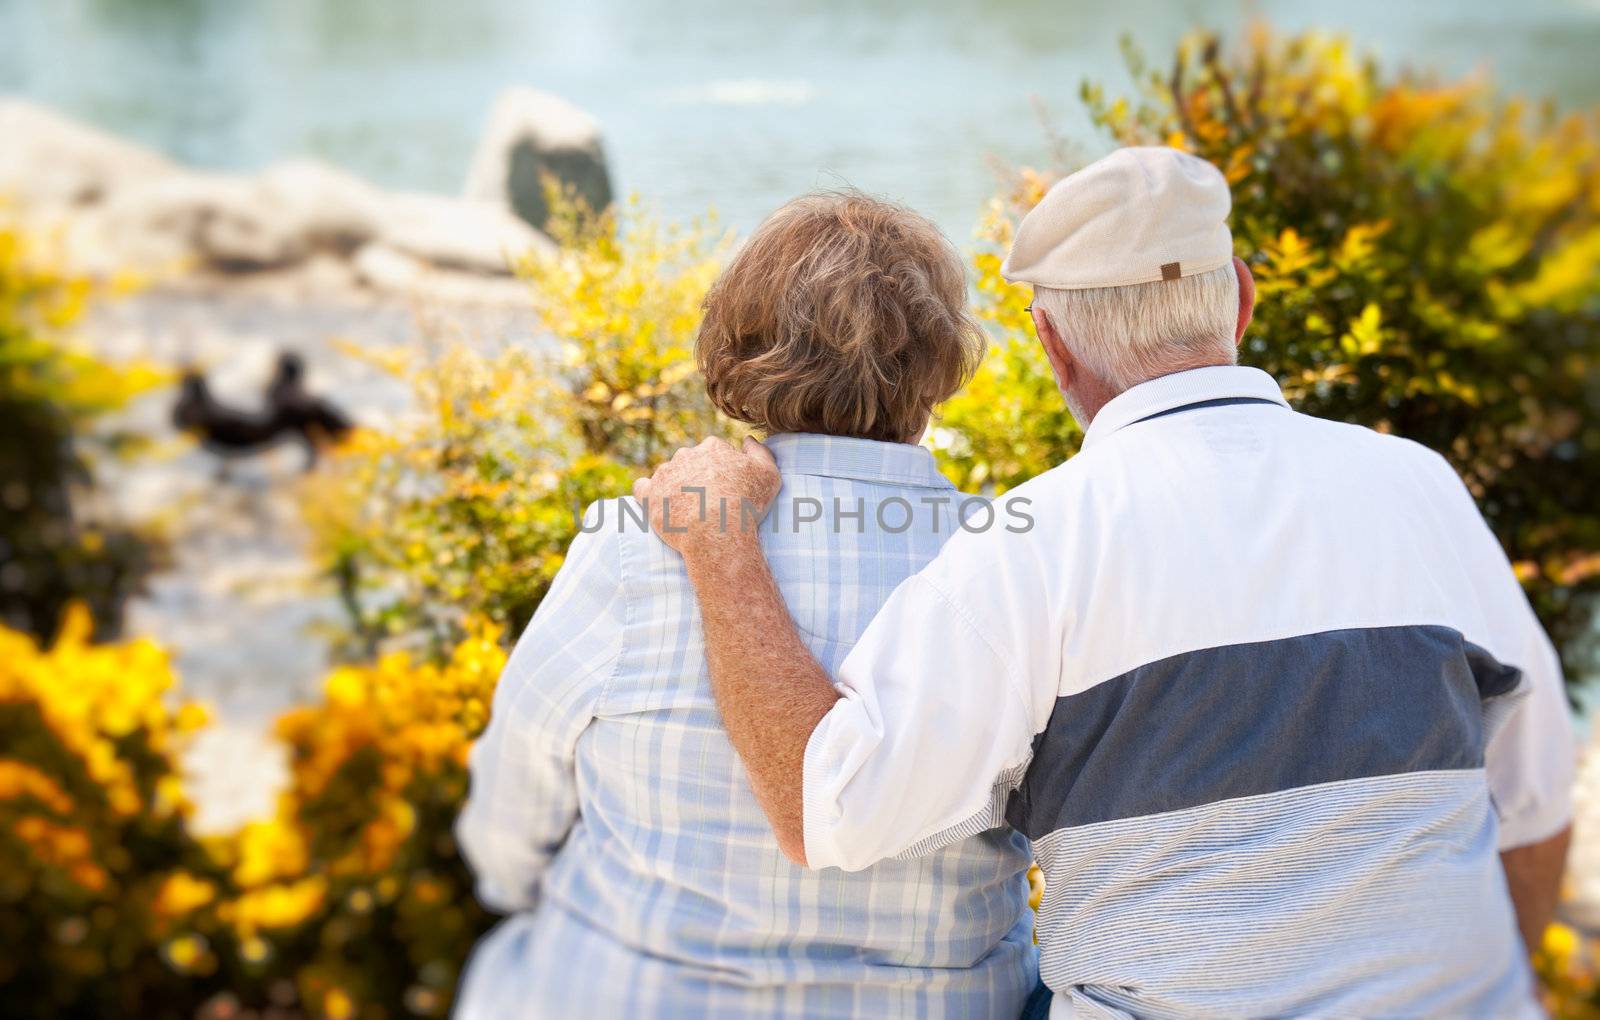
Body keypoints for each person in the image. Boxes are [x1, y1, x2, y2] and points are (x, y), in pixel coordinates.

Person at [634, 147, 1576, 1018]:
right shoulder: (1418, 485)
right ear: (1241, 301)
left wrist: (723, 552)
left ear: (1053, 346)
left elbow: (823, 809)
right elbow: (1535, 801)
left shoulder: (1034, 543)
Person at [454, 192, 1038, 1018]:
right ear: (940, 364)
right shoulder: (1012, 563)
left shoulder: (636, 545)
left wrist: (510, 884)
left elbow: (516, 796)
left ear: (740, 347)